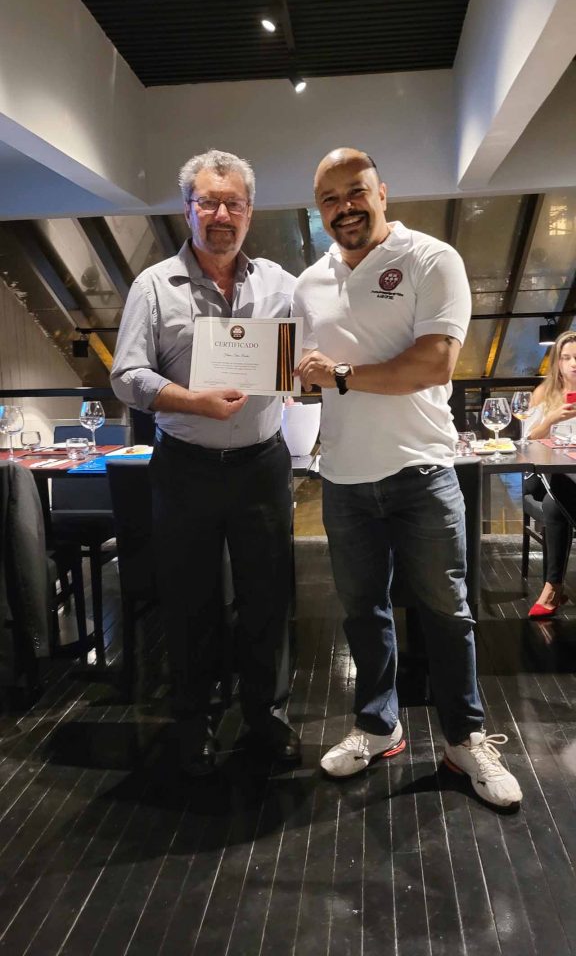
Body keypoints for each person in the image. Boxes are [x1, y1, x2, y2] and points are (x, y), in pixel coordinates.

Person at [292, 147, 522, 808]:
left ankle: (464, 739)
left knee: (446, 612)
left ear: (382, 192)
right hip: (342, 477)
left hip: (423, 471)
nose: (345, 208)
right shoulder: (310, 284)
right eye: (330, 199)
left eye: (355, 191)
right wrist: (282, 383)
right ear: (321, 211)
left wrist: (337, 375)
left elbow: (433, 365)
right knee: (363, 614)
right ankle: (377, 724)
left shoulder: (431, 259)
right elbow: (307, 382)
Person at [111, 148, 300, 775]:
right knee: (189, 596)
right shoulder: (153, 285)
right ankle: (192, 719)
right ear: (187, 208)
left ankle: (265, 716)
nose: (222, 214)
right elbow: (126, 375)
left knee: (267, 595)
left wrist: (308, 373)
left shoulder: (280, 283)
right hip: (185, 465)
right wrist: (189, 399)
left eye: (234, 204)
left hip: (262, 464)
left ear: (250, 212)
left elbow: (307, 355)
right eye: (209, 201)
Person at [523, 330, 576, 617]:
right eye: (566, 358)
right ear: (557, 362)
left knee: (555, 506)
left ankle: (553, 588)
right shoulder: (545, 393)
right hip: (541, 475)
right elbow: (527, 439)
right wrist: (552, 418)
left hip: (572, 476)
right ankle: (553, 589)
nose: (573, 364)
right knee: (554, 490)